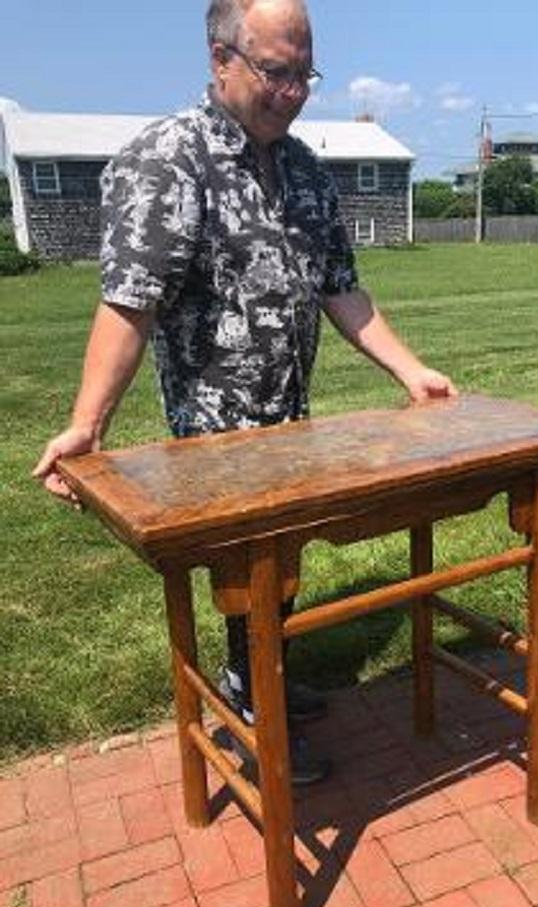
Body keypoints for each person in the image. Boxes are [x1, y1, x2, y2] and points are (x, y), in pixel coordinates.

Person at [33, 0, 457, 783]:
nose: (294, 90)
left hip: (290, 423)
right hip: (213, 436)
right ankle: (247, 720)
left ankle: (263, 682)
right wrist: (86, 427)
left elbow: (341, 289)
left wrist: (410, 369)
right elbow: (131, 303)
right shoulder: (165, 161)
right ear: (221, 58)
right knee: (245, 578)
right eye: (276, 70)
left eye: (305, 73)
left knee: (280, 571)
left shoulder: (303, 169)